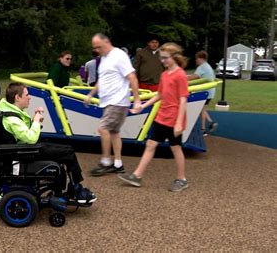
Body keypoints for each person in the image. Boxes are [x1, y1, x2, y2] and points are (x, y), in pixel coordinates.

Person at [0, 83, 97, 204]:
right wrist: (36, 121)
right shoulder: (12, 119)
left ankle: (71, 188)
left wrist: (35, 119)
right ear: (17, 98)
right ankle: (76, 189)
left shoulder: (12, 113)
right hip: (25, 153)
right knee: (68, 152)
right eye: (26, 95)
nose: (29, 97)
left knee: (67, 149)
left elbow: (26, 135)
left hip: (25, 149)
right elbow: (31, 139)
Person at [118, 42, 189, 192]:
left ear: (174, 57)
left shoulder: (180, 75)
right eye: (161, 58)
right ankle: (137, 176)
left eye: (165, 58)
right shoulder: (164, 75)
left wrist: (178, 123)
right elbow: (160, 95)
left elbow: (183, 99)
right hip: (162, 116)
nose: (162, 61)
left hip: (174, 118)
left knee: (175, 148)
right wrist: (143, 106)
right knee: (150, 144)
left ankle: (181, 179)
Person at [85, 33, 141, 176]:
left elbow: (132, 77)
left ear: (107, 42)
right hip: (109, 102)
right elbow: (102, 79)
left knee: (103, 128)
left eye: (99, 46)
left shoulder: (119, 56)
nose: (97, 50)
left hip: (118, 101)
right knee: (114, 132)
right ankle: (118, 163)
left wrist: (137, 100)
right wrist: (91, 94)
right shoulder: (104, 58)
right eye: (95, 48)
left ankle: (105, 162)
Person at [187, 50, 218, 136]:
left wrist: (182, 78)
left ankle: (206, 126)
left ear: (201, 58)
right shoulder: (208, 66)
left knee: (201, 109)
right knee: (202, 109)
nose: (196, 61)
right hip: (210, 92)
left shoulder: (202, 67)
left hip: (204, 92)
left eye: (197, 59)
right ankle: (206, 126)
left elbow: (194, 76)